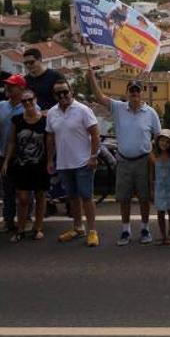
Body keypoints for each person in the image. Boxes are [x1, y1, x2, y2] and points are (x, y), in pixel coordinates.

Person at [87, 72, 160, 246]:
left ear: (141, 93)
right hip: (124, 160)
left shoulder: (151, 113)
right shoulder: (119, 108)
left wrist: (157, 162)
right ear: (127, 93)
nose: (134, 94)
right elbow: (99, 97)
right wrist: (91, 78)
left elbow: (158, 137)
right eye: (132, 91)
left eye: (137, 90)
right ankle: (126, 230)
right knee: (124, 198)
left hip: (144, 160)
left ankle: (144, 228)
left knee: (144, 198)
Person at [45, 78, 101, 247]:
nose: (62, 95)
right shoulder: (52, 113)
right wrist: (49, 159)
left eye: (65, 92)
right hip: (64, 163)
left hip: (83, 162)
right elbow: (50, 137)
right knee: (72, 198)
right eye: (58, 93)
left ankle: (92, 231)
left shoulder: (83, 110)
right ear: (54, 95)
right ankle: (78, 227)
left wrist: (93, 156)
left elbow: (95, 134)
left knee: (87, 197)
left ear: (71, 92)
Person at [2, 90, 49, 242]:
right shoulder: (17, 120)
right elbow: (12, 142)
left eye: (30, 100)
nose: (28, 103)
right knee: (22, 198)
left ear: (35, 99)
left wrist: (50, 161)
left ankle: (38, 227)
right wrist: (7, 160)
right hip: (21, 164)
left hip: (40, 163)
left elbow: (50, 143)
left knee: (40, 195)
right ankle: (20, 228)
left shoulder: (45, 120)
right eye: (24, 101)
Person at [0, 74, 30, 233]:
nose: (8, 88)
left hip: (25, 157)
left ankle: (27, 218)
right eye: (7, 85)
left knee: (25, 190)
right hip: (3, 154)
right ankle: (8, 220)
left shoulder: (29, 107)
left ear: (22, 88)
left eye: (12, 86)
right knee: (7, 190)